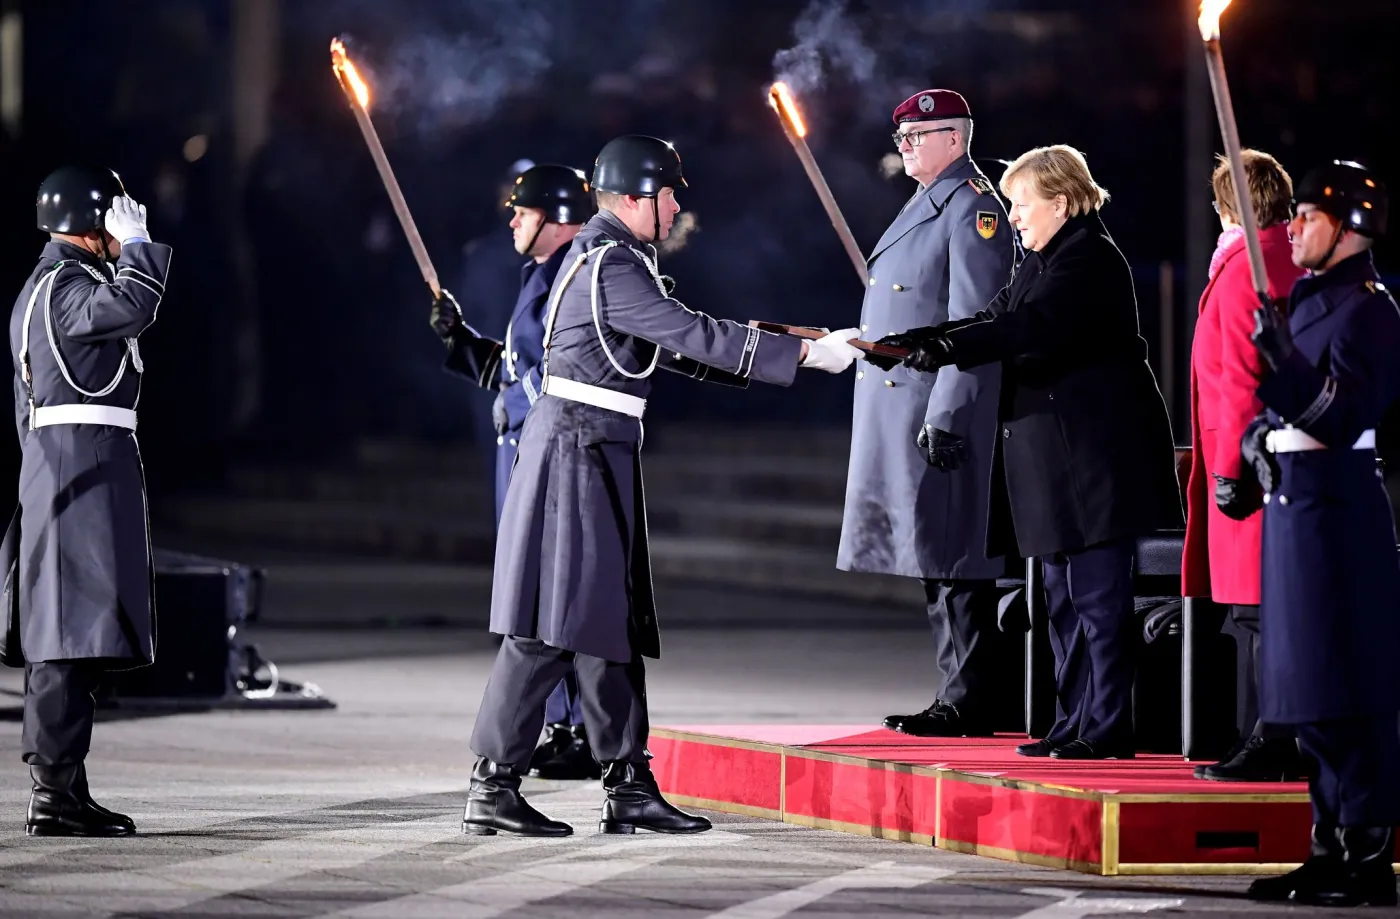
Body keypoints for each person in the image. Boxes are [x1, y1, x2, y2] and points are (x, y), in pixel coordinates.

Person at [458, 135, 861, 836]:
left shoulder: (612, 257)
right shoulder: (611, 263)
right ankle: (493, 784)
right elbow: (687, 331)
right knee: (553, 624)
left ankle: (628, 785)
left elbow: (670, 347)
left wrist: (794, 345)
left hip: (594, 447)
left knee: (604, 620)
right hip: (576, 449)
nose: (676, 208)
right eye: (669, 194)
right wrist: (801, 354)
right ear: (634, 196)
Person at [879, 145, 1181, 760]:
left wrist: (946, 350)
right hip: (1054, 465)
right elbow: (992, 316)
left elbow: (1028, 328)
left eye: (1021, 204)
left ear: (1061, 203)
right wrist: (919, 340)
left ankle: (1106, 726)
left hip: (1093, 463)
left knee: (1097, 600)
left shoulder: (1090, 260)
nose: (1012, 216)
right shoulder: (1042, 262)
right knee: (1062, 602)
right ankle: (1073, 721)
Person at [1241, 161, 1400, 908]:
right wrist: (1256, 438)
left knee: (1347, 688)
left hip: (1338, 511)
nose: (1294, 227)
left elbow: (1341, 415)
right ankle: (1325, 846)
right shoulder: (1308, 298)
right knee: (1307, 690)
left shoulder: (1372, 311)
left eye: (1309, 216)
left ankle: (1365, 856)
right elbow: (1285, 411)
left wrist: (1284, 367)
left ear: (1349, 228)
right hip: (1294, 506)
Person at [2, 167, 170, 836]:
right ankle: (54, 794)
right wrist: (141, 251)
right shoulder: (64, 286)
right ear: (92, 220)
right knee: (66, 635)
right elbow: (132, 307)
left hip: (74, 466)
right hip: (78, 469)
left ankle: (65, 787)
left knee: (78, 631)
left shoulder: (53, 284)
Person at [844, 90, 1017, 738]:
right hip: (902, 403)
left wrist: (949, 412)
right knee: (933, 557)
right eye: (902, 137)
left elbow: (975, 322)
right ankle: (956, 691)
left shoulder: (973, 209)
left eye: (918, 135)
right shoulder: (928, 202)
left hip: (938, 409)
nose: (906, 146)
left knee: (954, 557)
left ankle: (969, 698)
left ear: (954, 138)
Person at [431, 163, 601, 781]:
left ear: (558, 220)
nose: (512, 222)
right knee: (531, 593)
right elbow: (517, 363)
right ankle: (562, 726)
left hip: (555, 452)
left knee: (557, 592)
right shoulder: (540, 274)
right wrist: (461, 340)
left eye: (523, 213)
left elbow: (565, 367)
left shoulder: (575, 277)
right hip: (523, 452)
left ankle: (581, 728)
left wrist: (519, 397)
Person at [1182, 151, 1305, 782]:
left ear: (1231, 206)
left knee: (1258, 609)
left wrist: (1230, 466)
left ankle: (1269, 738)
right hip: (1281, 457)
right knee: (1270, 608)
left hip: (1247, 462)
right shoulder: (1290, 258)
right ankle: (1265, 735)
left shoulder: (1243, 270)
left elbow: (1238, 380)